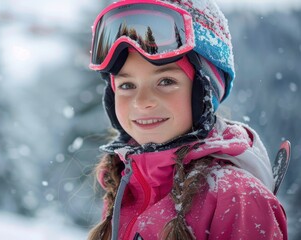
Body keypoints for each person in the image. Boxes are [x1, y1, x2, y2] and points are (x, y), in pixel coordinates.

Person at [86, 0, 288, 239]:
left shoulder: (237, 197)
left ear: (204, 91)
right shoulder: (126, 187)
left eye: (166, 82)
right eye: (127, 85)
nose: (142, 102)